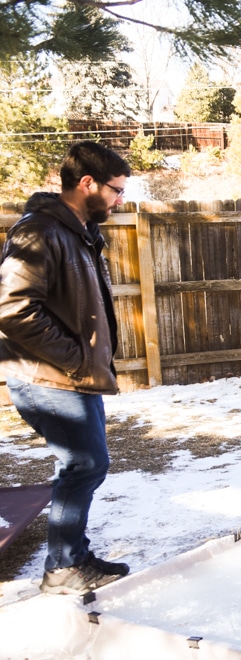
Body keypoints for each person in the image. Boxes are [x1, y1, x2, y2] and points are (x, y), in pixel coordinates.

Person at [0, 141, 132, 595]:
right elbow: (12, 309)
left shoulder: (77, 231)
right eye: (116, 190)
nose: (119, 200)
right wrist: (74, 358)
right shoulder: (40, 232)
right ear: (87, 183)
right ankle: (63, 568)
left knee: (87, 464)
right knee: (84, 464)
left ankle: (70, 558)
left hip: (71, 377)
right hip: (48, 375)